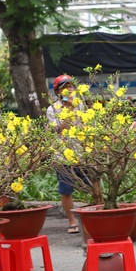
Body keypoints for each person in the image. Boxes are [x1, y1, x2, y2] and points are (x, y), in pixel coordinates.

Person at [46, 74, 82, 234]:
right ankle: (72, 220)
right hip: (63, 155)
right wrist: (69, 111)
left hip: (82, 153)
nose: (69, 90)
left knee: (93, 184)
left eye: (71, 86)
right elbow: (59, 129)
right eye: (65, 88)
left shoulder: (80, 105)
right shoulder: (52, 109)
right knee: (66, 189)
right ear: (58, 92)